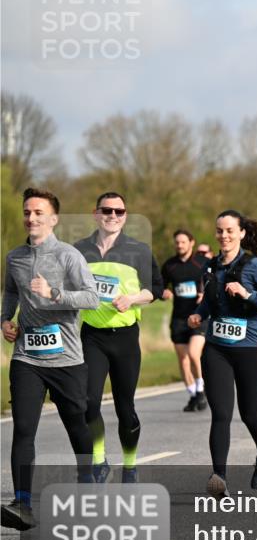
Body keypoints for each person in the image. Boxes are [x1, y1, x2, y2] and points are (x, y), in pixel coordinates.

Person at [2, 188, 99, 530]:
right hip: (27, 356)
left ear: (53, 218)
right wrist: (6, 320)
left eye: (39, 213)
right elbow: (12, 290)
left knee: (76, 423)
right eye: (27, 212)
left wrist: (53, 293)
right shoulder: (14, 257)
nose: (32, 218)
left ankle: (87, 480)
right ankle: (22, 504)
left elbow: (91, 298)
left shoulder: (69, 256)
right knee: (24, 429)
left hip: (67, 358)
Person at [188, 210, 257, 499]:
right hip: (216, 349)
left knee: (249, 413)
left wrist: (247, 294)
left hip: (251, 351)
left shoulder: (254, 265)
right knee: (221, 414)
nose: (224, 236)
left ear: (241, 233)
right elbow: (210, 303)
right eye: (219, 231)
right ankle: (220, 479)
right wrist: (197, 314)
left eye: (230, 231)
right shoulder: (209, 265)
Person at [74, 192, 163, 484]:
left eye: (120, 211)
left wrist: (134, 298)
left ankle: (130, 466)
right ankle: (99, 461)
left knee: (126, 408)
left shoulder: (138, 250)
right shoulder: (78, 251)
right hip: (92, 338)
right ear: (96, 213)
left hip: (125, 338)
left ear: (125, 216)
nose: (113, 216)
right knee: (88, 404)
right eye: (107, 210)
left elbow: (156, 289)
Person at [161, 229, 209, 412]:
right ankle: (194, 394)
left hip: (198, 316)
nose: (179, 245)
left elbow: (213, 283)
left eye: (183, 242)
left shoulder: (201, 263)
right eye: (177, 242)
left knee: (194, 354)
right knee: (182, 359)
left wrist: (204, 294)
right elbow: (160, 286)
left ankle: (201, 389)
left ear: (191, 243)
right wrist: (163, 293)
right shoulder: (169, 266)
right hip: (179, 318)